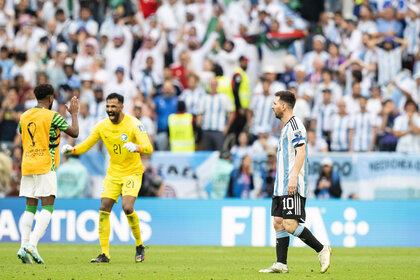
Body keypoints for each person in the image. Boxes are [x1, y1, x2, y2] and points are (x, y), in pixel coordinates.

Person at [62, 93, 153, 263]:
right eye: (108, 106)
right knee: (104, 207)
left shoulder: (134, 124)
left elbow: (149, 147)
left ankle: (139, 245)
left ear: (121, 107)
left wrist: (137, 147)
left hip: (132, 172)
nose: (110, 110)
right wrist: (72, 150)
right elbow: (87, 144)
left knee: (127, 207)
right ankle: (105, 254)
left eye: (113, 106)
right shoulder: (102, 126)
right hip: (113, 173)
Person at [260, 90, 331, 274]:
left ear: (284, 106)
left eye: (275, 103)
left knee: (290, 225)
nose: (272, 106)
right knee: (278, 221)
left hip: (292, 183)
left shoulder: (295, 125)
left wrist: (292, 178)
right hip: (280, 185)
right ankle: (281, 264)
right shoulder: (285, 127)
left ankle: (322, 248)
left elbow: (301, 152)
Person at [17, 84, 79, 264]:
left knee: (30, 206)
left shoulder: (24, 116)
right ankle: (32, 245)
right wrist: (74, 114)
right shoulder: (53, 116)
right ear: (51, 98)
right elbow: (74, 132)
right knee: (47, 206)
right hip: (45, 164)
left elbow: (23, 132)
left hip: (27, 164)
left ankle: (23, 245)